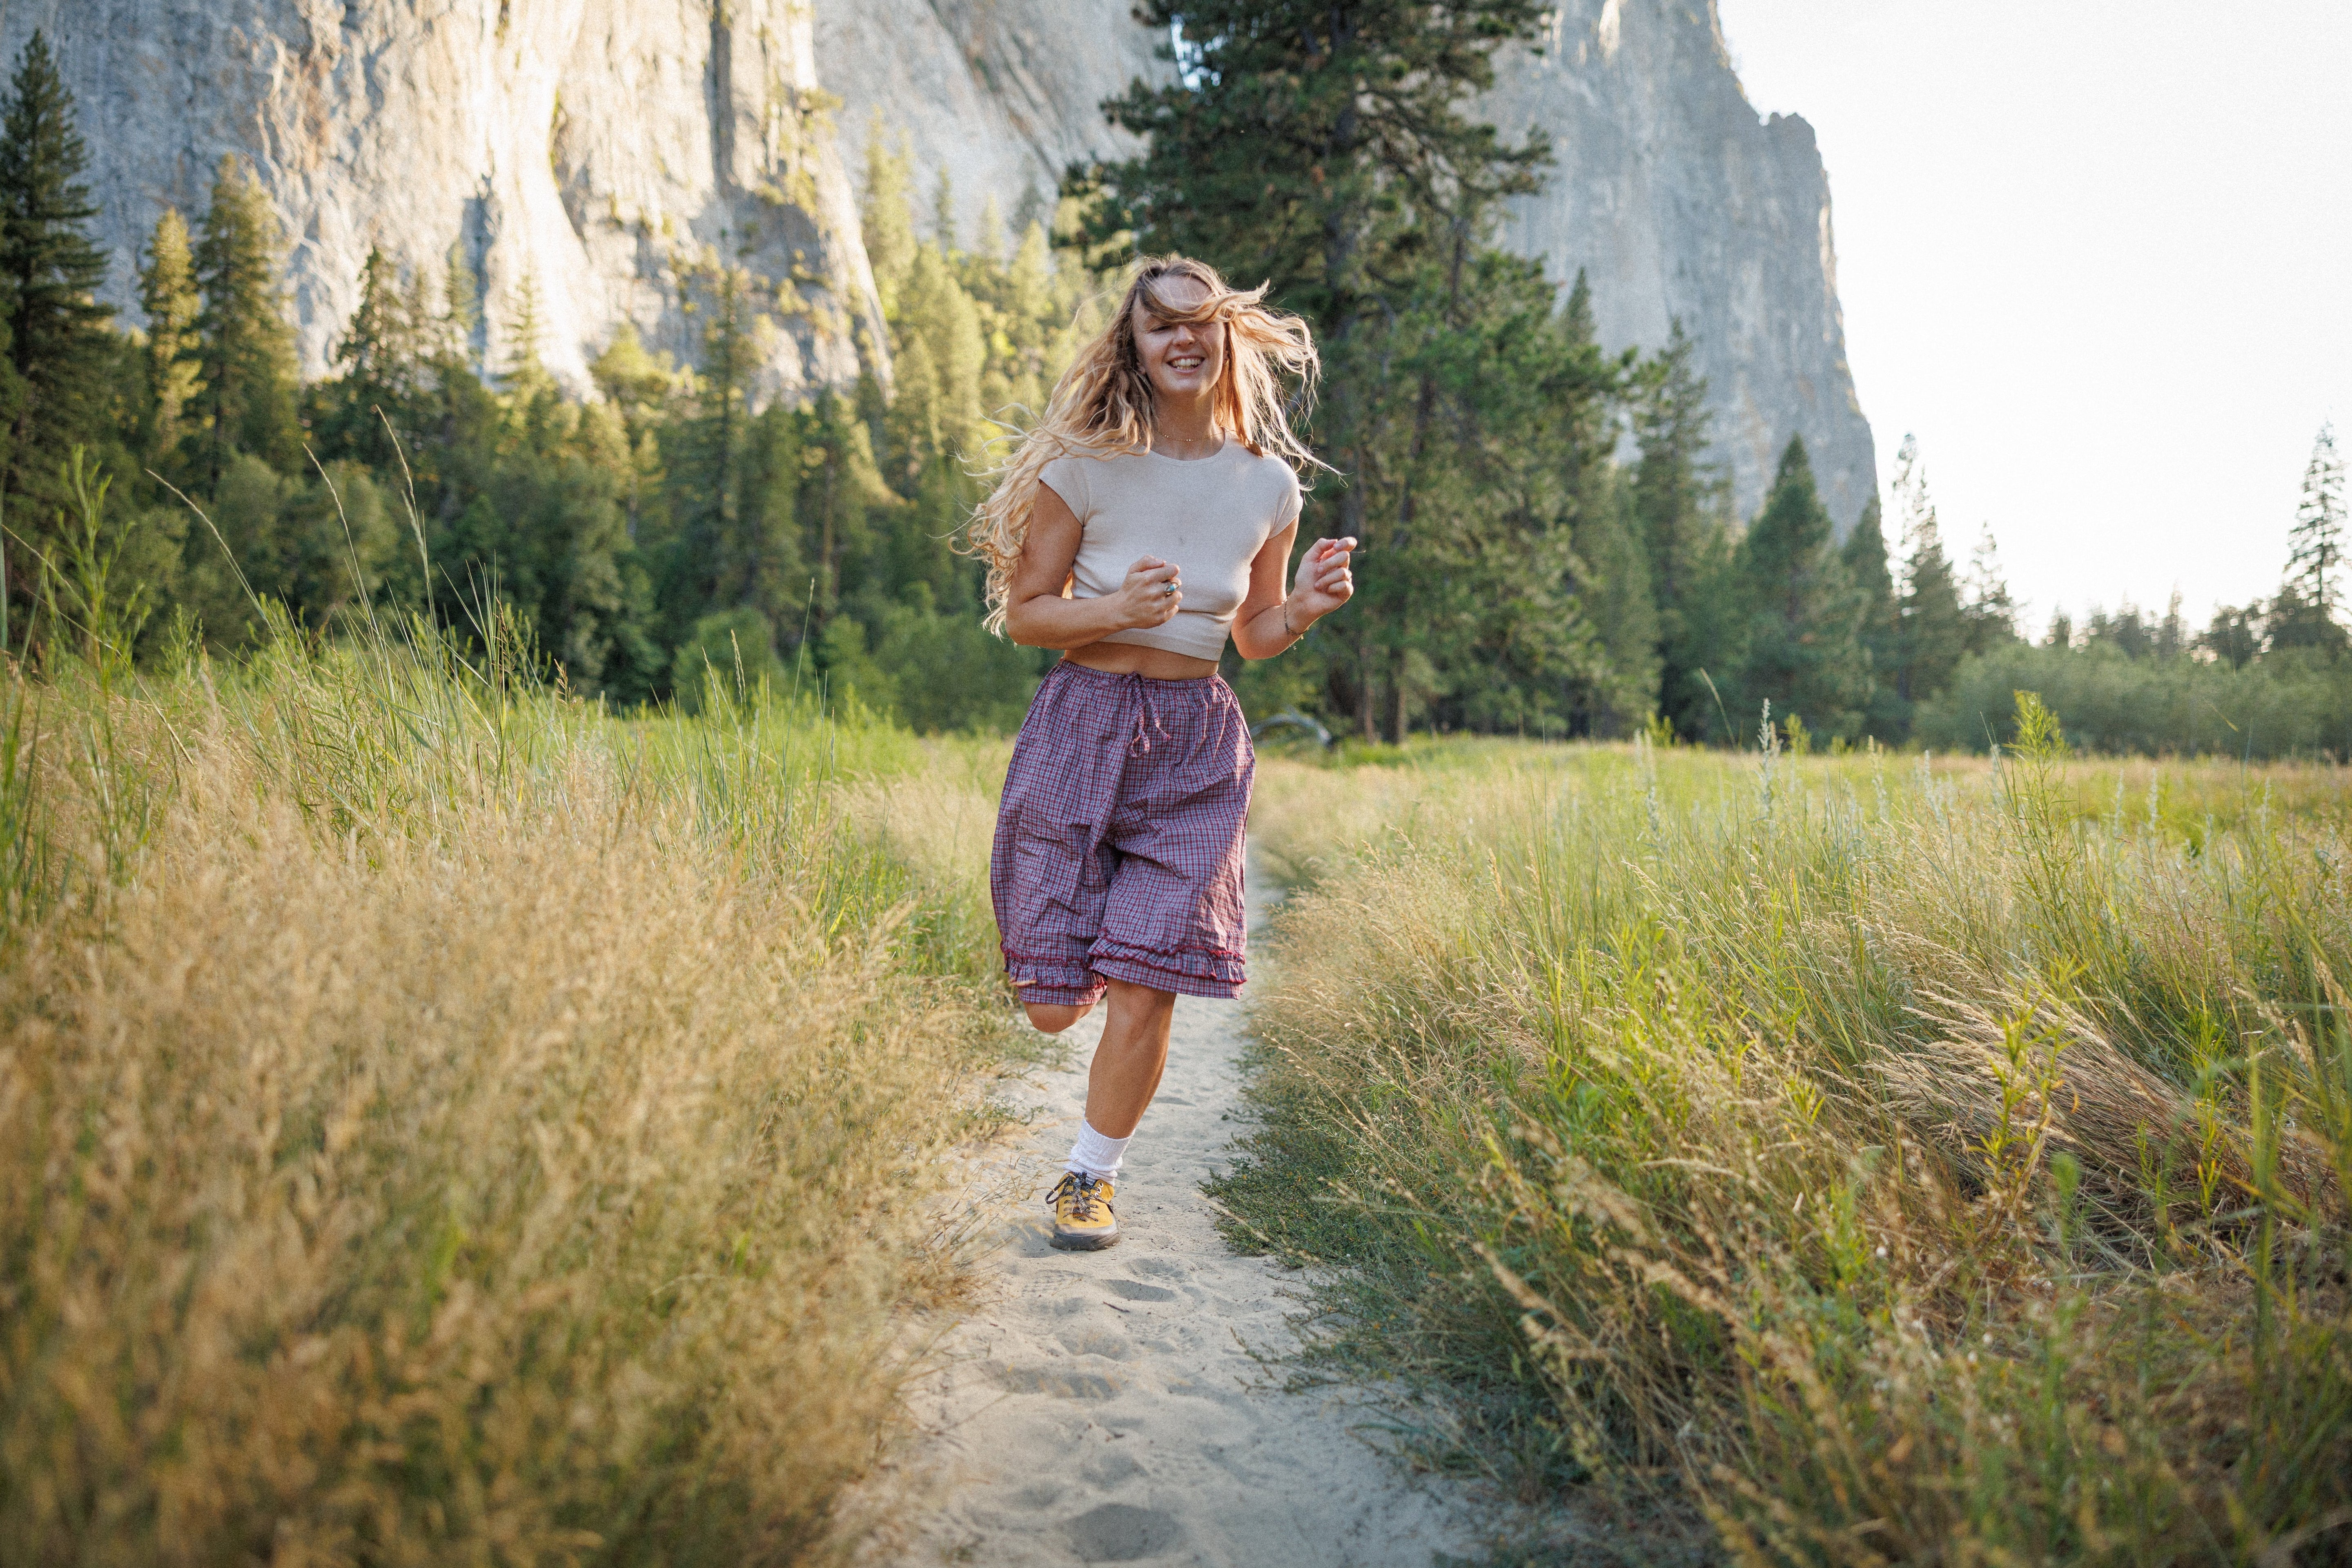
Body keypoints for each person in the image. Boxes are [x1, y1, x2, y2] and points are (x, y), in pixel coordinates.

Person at [965, 256, 1355, 1251]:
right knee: (1053, 1009)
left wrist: (1301, 608)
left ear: (1226, 339)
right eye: (1160, 326)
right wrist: (1113, 611)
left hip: (1194, 748)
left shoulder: (1269, 485)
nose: (1184, 338)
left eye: (1201, 322)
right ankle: (1082, 947)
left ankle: (1090, 1178)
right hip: (1080, 723)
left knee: (1147, 981)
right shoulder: (1082, 470)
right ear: (1132, 350)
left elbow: (1256, 634)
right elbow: (1024, 615)